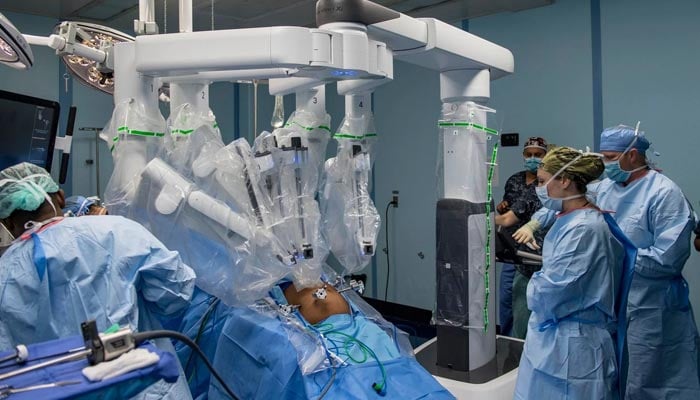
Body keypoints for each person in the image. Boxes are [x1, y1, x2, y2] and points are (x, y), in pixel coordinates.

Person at [515, 125, 700, 399]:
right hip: (610, 305)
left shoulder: (664, 193)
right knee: (616, 376)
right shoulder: (606, 187)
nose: (605, 164)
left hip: (650, 303)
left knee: (651, 377)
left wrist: (616, 255)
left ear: (633, 155)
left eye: (611, 157)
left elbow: (669, 259)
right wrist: (534, 223)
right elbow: (567, 198)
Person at [0, 162, 196, 399]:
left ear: (8, 223)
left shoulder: (5, 272)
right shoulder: (119, 231)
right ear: (61, 197)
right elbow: (176, 294)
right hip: (145, 388)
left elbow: (7, 366)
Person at [514, 147, 623, 399]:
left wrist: (536, 284)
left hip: (573, 345)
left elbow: (551, 292)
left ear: (564, 180)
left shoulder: (583, 228)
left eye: (542, 181)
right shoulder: (569, 218)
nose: (539, 188)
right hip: (557, 335)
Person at [495, 136, 548, 337]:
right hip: (513, 248)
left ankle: (523, 347)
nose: (532, 158)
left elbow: (508, 218)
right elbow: (508, 211)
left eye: (538, 155)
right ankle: (509, 341)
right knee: (509, 299)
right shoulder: (515, 180)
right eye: (529, 155)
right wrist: (500, 210)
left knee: (530, 307)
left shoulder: (544, 187)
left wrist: (480, 219)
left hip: (538, 252)